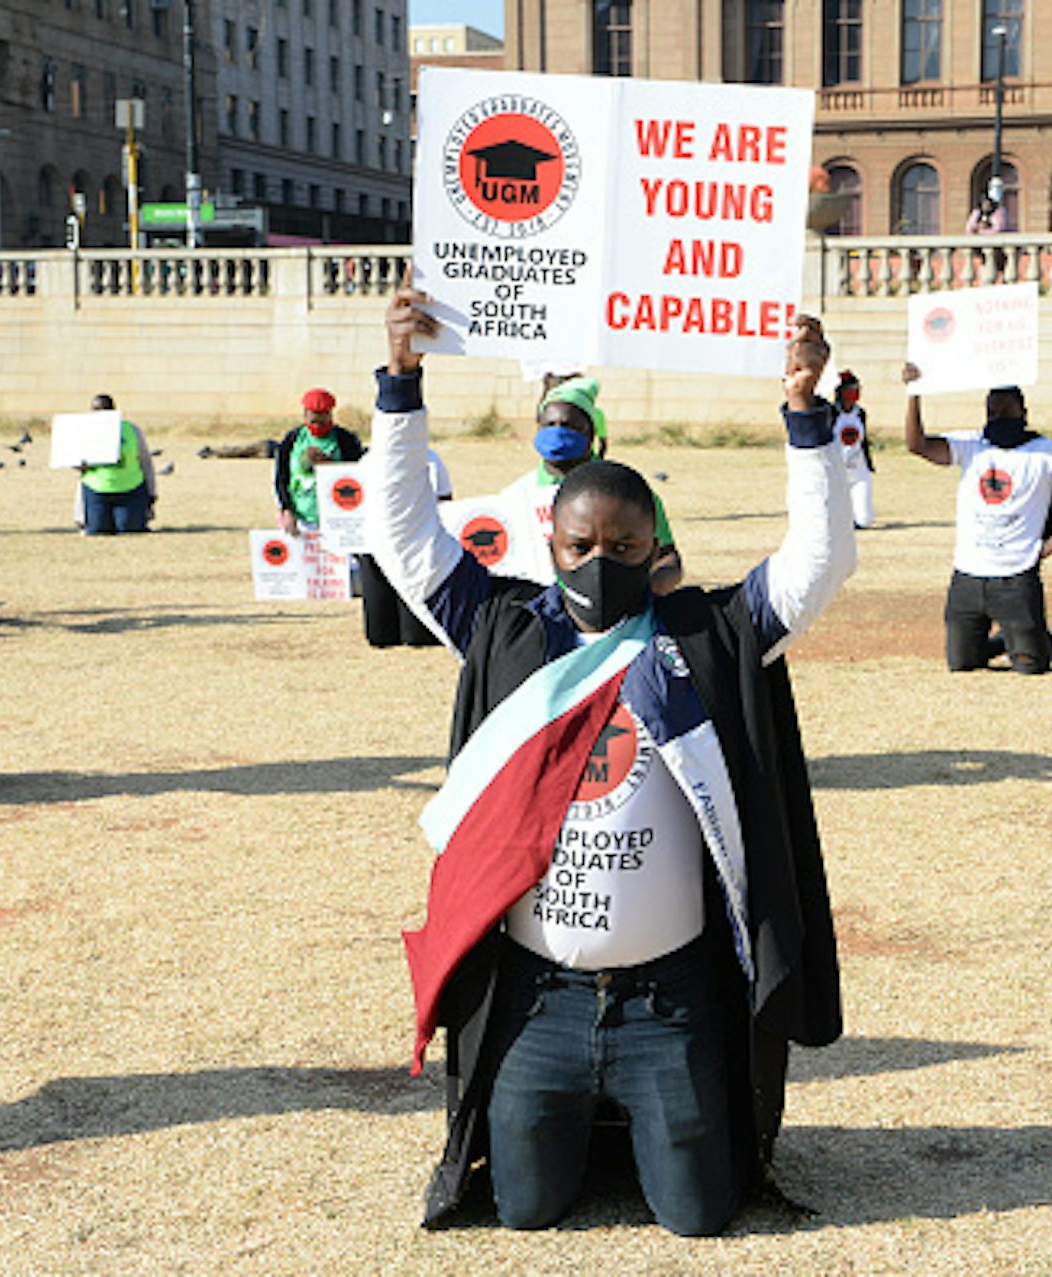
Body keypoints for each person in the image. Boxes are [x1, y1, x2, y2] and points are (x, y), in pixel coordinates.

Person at [370, 286, 851, 1235]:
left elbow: (818, 562)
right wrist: (399, 383)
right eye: (582, 544)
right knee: (524, 1210)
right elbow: (403, 537)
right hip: (537, 998)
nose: (602, 560)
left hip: (666, 1001)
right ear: (550, 545)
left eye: (626, 544)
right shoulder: (508, 630)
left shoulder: (710, 632)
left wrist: (805, 415)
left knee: (700, 1215)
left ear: (657, 549)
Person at [904, 369, 1052, 674]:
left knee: (1032, 667)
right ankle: (1007, 640)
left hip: (1016, 577)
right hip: (967, 576)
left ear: (1023, 411)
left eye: (1006, 409)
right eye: (992, 410)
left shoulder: (1047, 453)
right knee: (962, 663)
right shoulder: (971, 445)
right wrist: (914, 392)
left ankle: (1039, 641)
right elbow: (917, 445)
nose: (998, 416)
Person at [501, 374, 684, 594]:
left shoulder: (627, 493)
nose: (557, 432)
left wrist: (638, 594)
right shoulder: (516, 497)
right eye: (549, 425)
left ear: (590, 433)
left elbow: (669, 562)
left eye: (569, 426)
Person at [274, 388, 365, 538]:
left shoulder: (345, 440)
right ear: (305, 415)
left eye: (322, 422)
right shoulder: (292, 440)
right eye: (313, 422)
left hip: (337, 519)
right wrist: (286, 510)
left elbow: (358, 477)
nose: (317, 427)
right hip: (301, 519)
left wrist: (328, 464)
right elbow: (281, 478)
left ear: (330, 415)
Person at [78, 393, 156, 535]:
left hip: (130, 489)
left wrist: (151, 493)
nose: (101, 413)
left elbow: (145, 462)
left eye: (105, 409)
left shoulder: (131, 430)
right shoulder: (84, 431)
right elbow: (80, 473)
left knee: (129, 530)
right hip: (97, 490)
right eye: (96, 410)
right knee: (97, 531)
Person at [833, 369, 875, 529]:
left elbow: (863, 441)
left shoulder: (860, 413)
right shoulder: (831, 413)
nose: (854, 393)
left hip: (859, 470)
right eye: (850, 389)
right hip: (838, 470)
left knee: (865, 520)